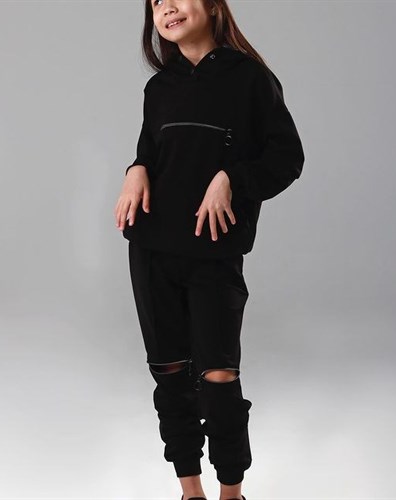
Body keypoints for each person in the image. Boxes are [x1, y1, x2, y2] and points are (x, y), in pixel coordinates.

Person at [113, 1, 305, 499]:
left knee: (219, 378)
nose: (167, 8)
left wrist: (232, 180)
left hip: (213, 255)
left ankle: (231, 493)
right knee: (170, 376)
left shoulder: (251, 79)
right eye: (156, 2)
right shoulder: (160, 88)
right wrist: (135, 169)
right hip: (151, 249)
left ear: (214, 5)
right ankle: (190, 491)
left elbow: (287, 157)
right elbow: (151, 152)